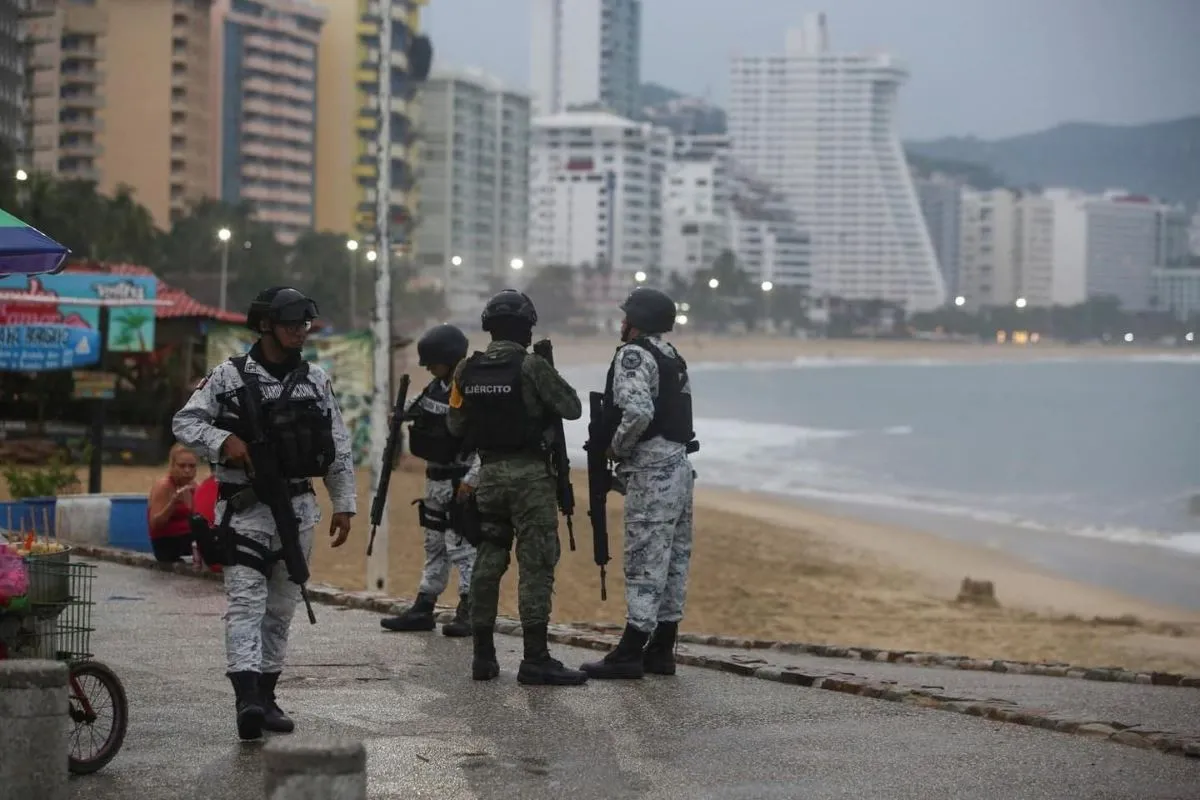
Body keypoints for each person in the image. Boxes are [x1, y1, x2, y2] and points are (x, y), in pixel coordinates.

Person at [172, 286, 356, 740]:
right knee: (245, 604)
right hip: (244, 509)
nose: (299, 331)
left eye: (304, 323)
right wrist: (223, 442)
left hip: (298, 510)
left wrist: (344, 504)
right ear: (266, 325)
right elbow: (184, 422)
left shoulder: (315, 379)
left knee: (281, 610)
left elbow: (338, 445)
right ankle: (247, 698)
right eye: (290, 323)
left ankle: (268, 695)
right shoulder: (229, 377)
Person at [447, 289, 587, 686]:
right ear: (526, 328)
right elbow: (572, 407)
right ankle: (535, 658)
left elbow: (455, 426)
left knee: (488, 561)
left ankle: (483, 656)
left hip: (488, 477)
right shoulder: (530, 366)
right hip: (529, 480)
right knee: (536, 564)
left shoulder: (464, 371)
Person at [580, 286, 697, 680]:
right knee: (674, 561)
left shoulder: (634, 355)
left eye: (626, 316)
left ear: (636, 322)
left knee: (645, 561)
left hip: (651, 470)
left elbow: (639, 411)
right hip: (680, 468)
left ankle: (631, 651)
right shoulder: (671, 356)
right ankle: (662, 650)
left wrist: (615, 447)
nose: (621, 322)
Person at [380, 323, 479, 637]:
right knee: (434, 545)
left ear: (449, 358)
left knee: (461, 546)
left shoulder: (470, 389)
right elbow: (416, 410)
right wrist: (398, 415)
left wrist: (473, 479)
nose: (430, 369)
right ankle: (424, 605)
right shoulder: (435, 388)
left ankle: (470, 607)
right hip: (435, 480)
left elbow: (486, 441)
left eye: (433, 363)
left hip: (460, 481)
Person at [147, 444, 199, 562]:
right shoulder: (164, 486)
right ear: (172, 466)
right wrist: (172, 504)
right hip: (167, 544)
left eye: (192, 466)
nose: (187, 470)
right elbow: (155, 524)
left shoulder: (193, 486)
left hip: (187, 539)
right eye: (182, 466)